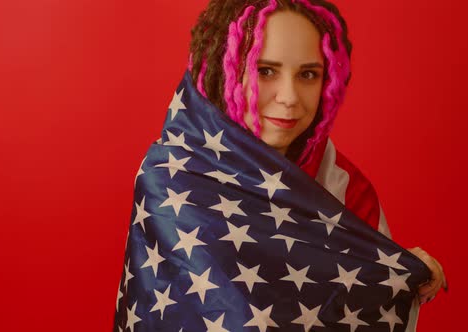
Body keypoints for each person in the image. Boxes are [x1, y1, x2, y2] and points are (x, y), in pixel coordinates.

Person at [115, 0, 447, 331]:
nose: (289, 96)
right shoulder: (173, 178)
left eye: (308, 74)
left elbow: (364, 300)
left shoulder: (345, 186)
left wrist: (406, 274)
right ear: (221, 68)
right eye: (265, 71)